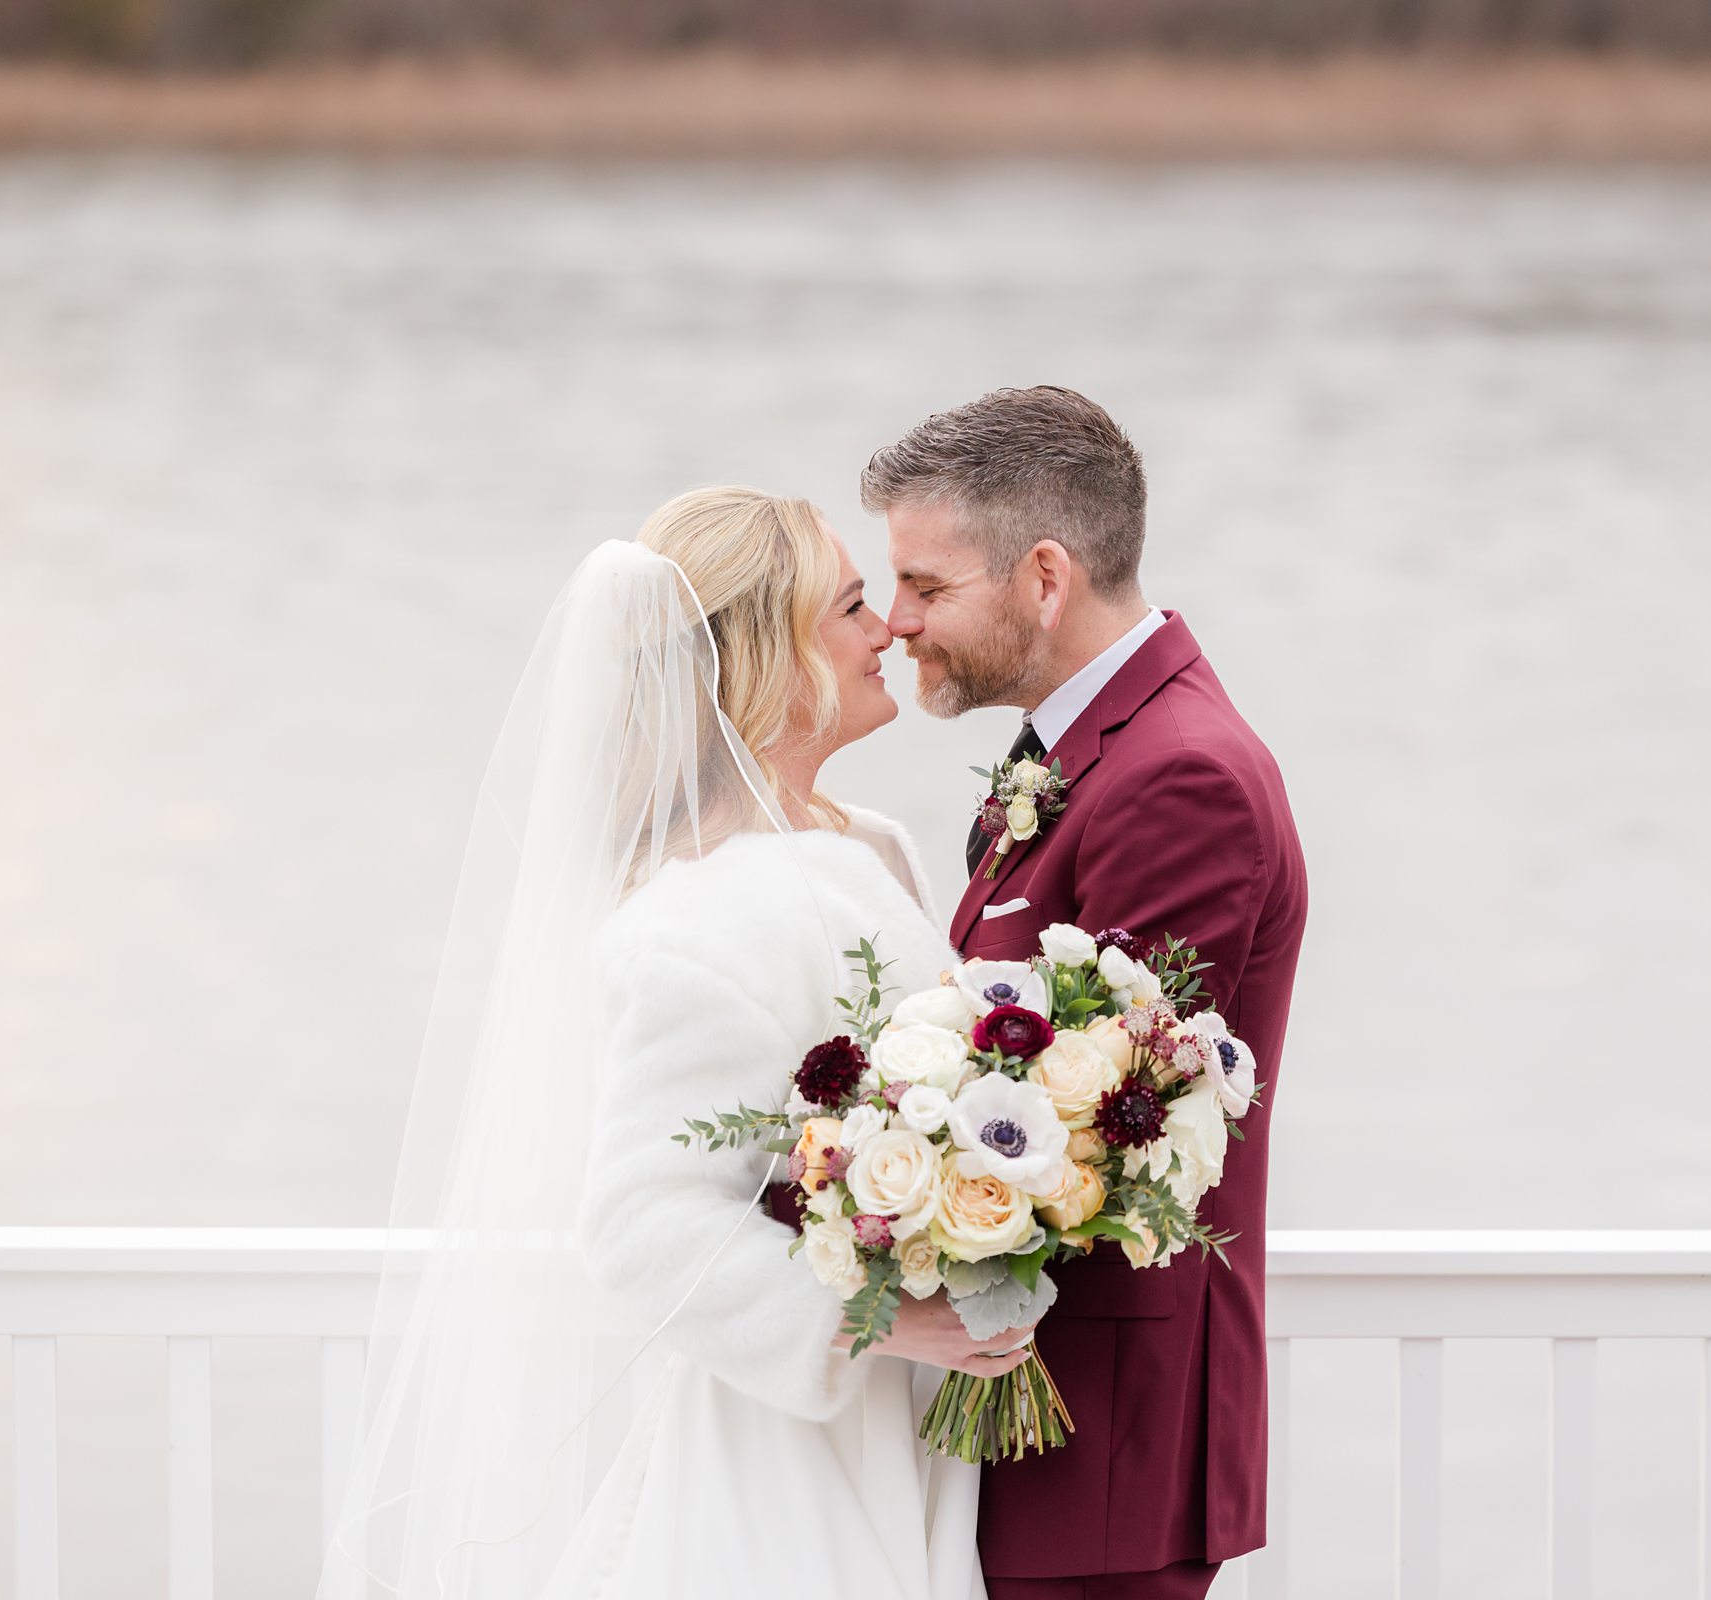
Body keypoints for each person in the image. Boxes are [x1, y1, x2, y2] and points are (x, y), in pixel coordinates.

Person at [316, 486, 1025, 1600]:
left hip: (916, 1439)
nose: (885, 627)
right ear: (770, 658)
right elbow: (640, 1221)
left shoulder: (874, 849)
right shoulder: (691, 919)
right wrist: (878, 1317)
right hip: (784, 1463)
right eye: (847, 608)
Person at [864, 386, 1310, 1600]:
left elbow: (1102, 1120)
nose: (895, 620)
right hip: (1036, 1415)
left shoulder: (1183, 778)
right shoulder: (1080, 751)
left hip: (1102, 1430)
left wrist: (831, 1197)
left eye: (926, 585)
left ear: (1043, 578)